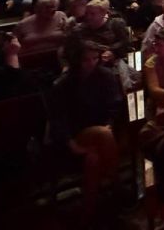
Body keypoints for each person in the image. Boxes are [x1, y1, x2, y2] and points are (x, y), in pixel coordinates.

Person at [49, 40, 123, 220]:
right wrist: (71, 143)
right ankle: (116, 186)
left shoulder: (106, 76)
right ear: (76, 61)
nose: (91, 63)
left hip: (104, 132)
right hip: (77, 134)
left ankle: (88, 213)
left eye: (95, 58)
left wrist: (109, 124)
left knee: (93, 159)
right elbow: (58, 118)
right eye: (86, 60)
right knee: (102, 135)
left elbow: (115, 105)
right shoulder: (64, 84)